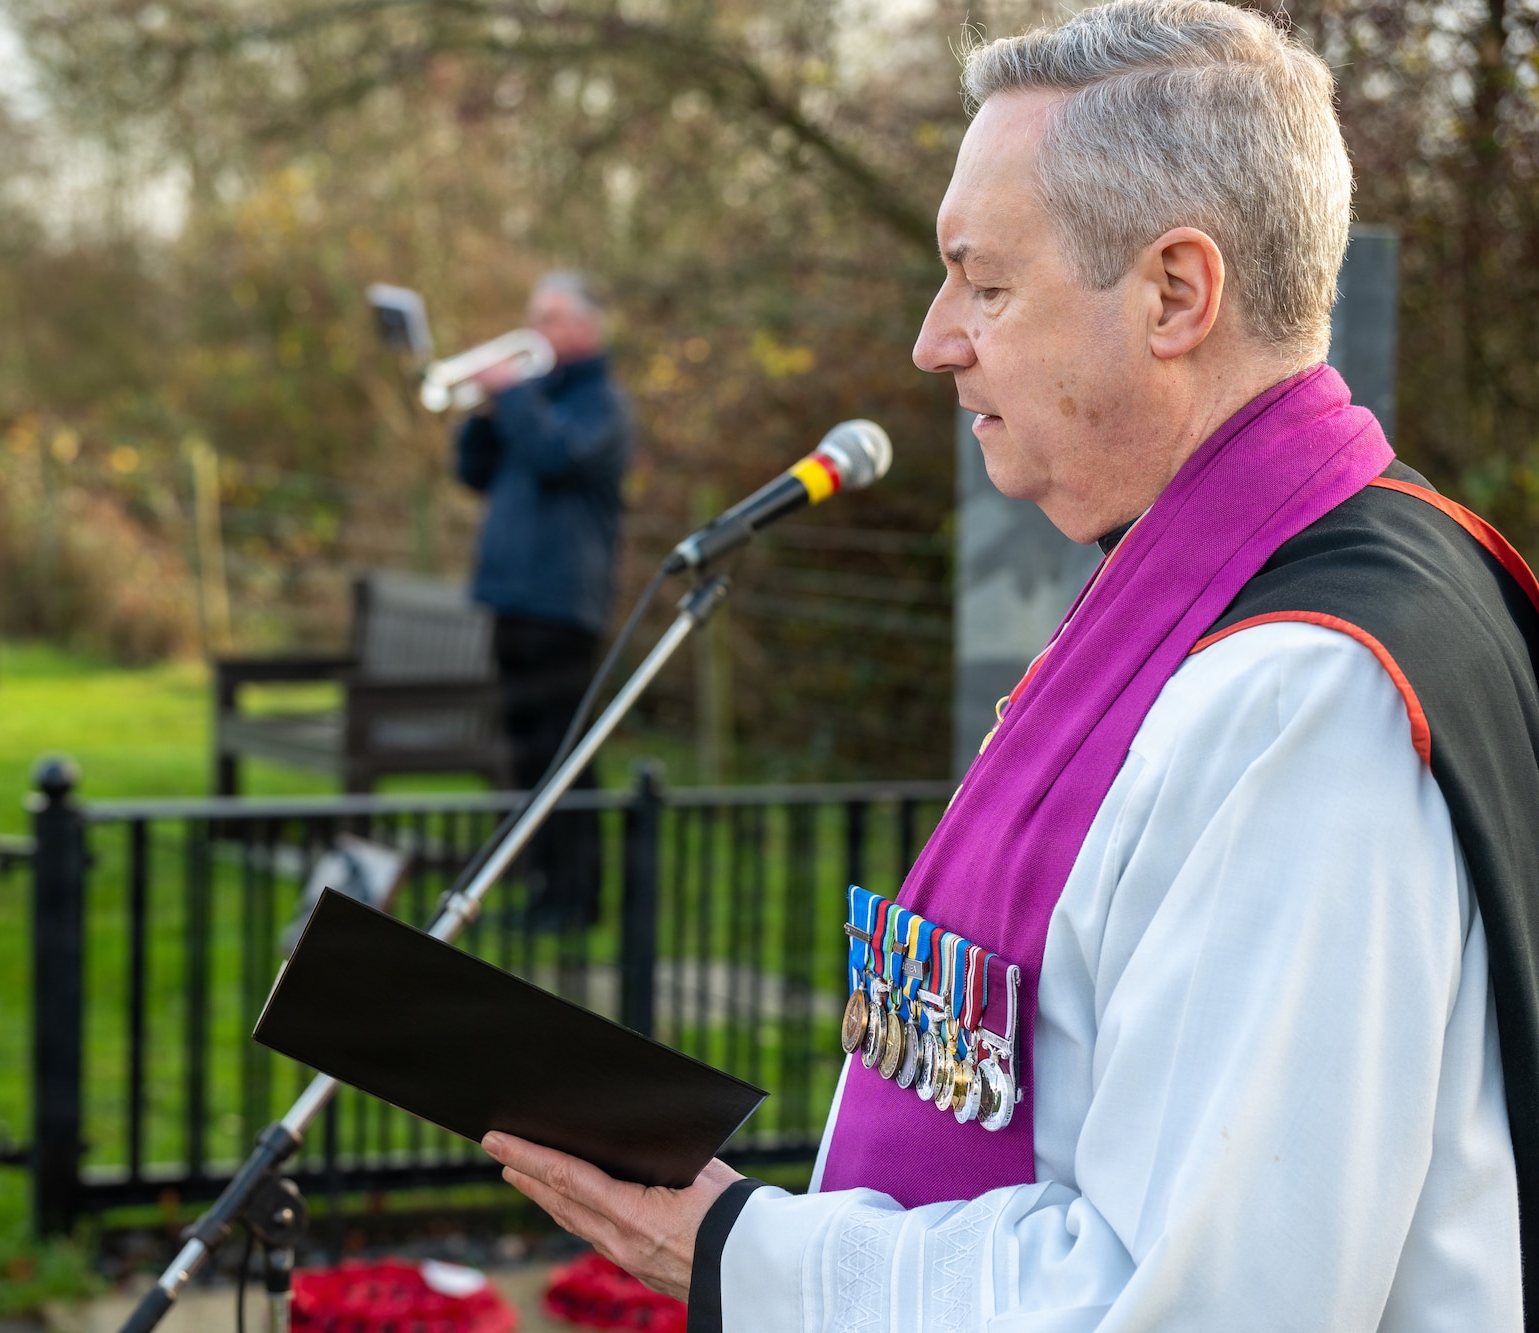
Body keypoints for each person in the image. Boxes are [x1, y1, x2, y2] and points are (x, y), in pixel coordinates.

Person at [480, 3, 1538, 1327]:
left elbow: (1192, 1301)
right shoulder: (1360, 552)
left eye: (985, 281)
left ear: (1175, 294)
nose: (935, 339)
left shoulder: (1296, 693)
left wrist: (741, 1250)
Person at [455, 272, 632, 928]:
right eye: (534, 315)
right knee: (526, 756)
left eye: (552, 317)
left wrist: (514, 396)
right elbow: (474, 472)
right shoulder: (533, 400)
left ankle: (576, 898)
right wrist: (482, 411)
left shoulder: (600, 405)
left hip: (562, 606)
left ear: (588, 328)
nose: (538, 329)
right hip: (509, 599)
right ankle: (542, 888)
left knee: (565, 760)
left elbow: (558, 457)